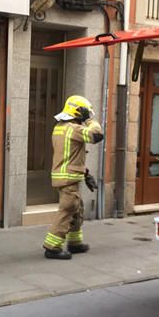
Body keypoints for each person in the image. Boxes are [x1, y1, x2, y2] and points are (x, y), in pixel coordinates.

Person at [43, 95, 103, 260]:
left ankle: (75, 243)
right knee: (68, 209)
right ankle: (52, 247)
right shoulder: (73, 129)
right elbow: (96, 135)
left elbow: (70, 155)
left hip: (65, 175)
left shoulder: (60, 127)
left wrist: (85, 174)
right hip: (68, 177)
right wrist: (90, 120)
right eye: (85, 112)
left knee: (76, 209)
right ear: (79, 112)